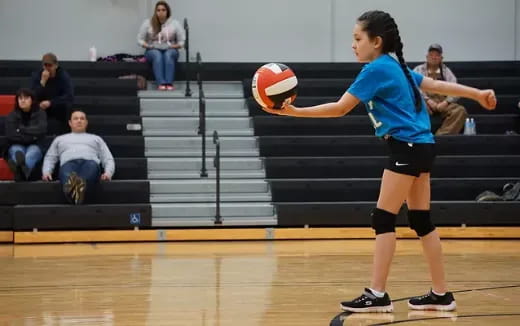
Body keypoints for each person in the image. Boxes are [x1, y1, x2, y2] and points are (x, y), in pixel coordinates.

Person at [262, 10, 496, 313]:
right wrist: (477, 94)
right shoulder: (394, 66)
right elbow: (437, 86)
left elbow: (339, 109)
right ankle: (441, 294)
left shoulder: (375, 70)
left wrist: (293, 112)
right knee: (421, 221)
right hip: (422, 146)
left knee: (383, 218)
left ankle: (377, 294)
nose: (353, 45)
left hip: (406, 148)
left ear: (376, 41)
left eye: (358, 38)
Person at [41, 110, 115, 205]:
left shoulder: (96, 139)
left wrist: (108, 172)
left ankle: (73, 192)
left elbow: (107, 157)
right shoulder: (60, 139)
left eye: (82, 118)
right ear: (70, 123)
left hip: (90, 163)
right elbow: (50, 158)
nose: (79, 121)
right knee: (67, 172)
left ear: (86, 122)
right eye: (76, 118)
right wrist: (47, 172)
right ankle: (78, 191)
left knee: (91, 166)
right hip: (69, 164)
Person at [414, 44, 468, 135]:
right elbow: (413, 86)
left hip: (442, 103)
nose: (434, 57)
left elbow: (455, 90)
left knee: (460, 111)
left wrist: (446, 102)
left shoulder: (446, 71)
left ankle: (441, 137)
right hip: (424, 102)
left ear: (441, 58)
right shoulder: (418, 70)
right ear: (427, 57)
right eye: (431, 55)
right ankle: (419, 137)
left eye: (437, 55)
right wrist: (427, 100)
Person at [137, 1, 185, 90]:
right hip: (152, 50)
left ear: (167, 11)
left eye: (163, 10)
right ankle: (161, 83)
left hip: (171, 49)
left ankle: (169, 83)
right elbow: (139, 40)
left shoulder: (175, 23)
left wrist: (173, 46)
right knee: (157, 55)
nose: (161, 12)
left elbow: (182, 41)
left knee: (168, 54)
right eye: (158, 10)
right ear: (155, 11)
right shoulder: (148, 23)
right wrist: (148, 46)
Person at [4, 88, 47, 181]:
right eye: (20, 98)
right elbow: (11, 135)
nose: (23, 100)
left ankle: (18, 172)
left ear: (32, 100)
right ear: (17, 101)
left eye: (26, 98)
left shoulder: (40, 114)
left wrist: (21, 129)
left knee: (32, 152)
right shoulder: (11, 116)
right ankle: (23, 173)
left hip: (36, 145)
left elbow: (41, 130)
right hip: (16, 144)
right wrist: (32, 136)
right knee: (17, 151)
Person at [31, 52, 74, 133]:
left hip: (58, 106)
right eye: (45, 65)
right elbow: (33, 95)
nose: (47, 68)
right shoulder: (37, 75)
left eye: (50, 65)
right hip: (42, 107)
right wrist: (42, 82)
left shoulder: (63, 76)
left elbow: (69, 96)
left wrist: (51, 102)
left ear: (56, 65)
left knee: (67, 107)